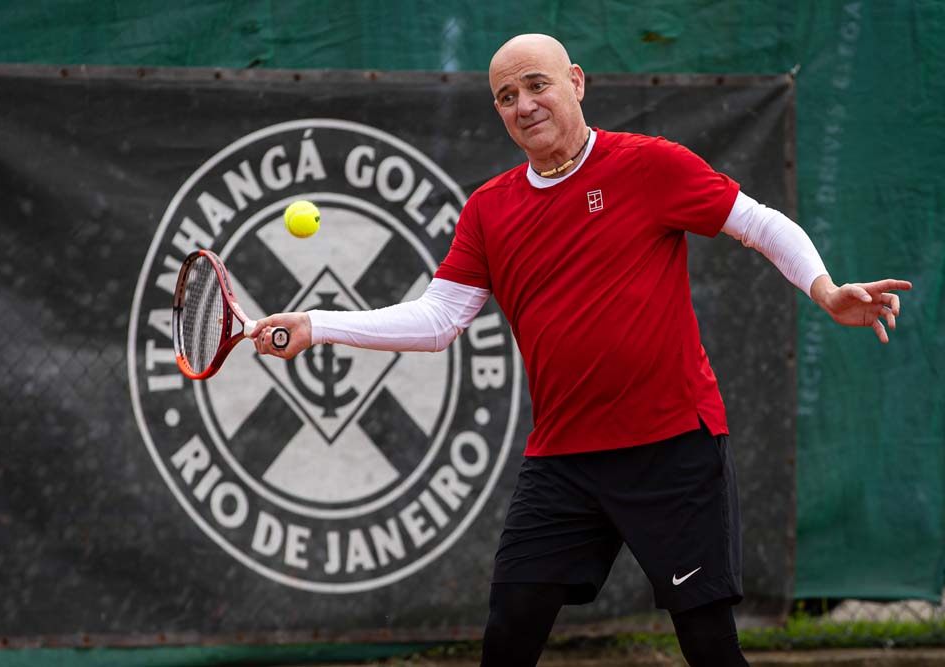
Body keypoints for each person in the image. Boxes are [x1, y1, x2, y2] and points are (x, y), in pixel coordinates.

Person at [251, 33, 912, 667]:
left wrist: (825, 289)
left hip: (672, 447)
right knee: (508, 635)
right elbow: (438, 318)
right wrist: (317, 324)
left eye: (537, 85)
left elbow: (757, 223)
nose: (524, 105)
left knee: (709, 645)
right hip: (563, 460)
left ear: (576, 83)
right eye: (507, 96)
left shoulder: (647, 165)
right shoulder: (488, 210)